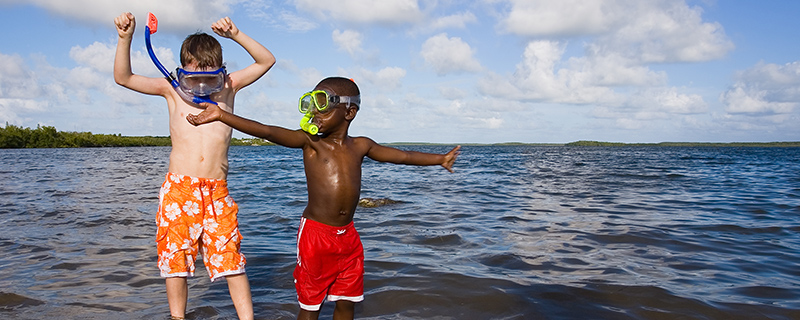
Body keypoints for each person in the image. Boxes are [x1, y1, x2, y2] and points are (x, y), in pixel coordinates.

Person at [187, 77, 460, 320]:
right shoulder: (311, 142)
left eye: (323, 104)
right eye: (311, 104)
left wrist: (440, 159)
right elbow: (267, 131)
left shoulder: (361, 145)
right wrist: (222, 115)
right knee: (311, 304)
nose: (315, 112)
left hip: (349, 238)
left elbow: (403, 156)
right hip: (316, 237)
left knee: (348, 300)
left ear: (349, 112)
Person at [113, 12, 275, 320]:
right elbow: (123, 77)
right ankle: (178, 317)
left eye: (208, 78)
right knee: (175, 264)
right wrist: (125, 39)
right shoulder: (170, 89)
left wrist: (236, 34)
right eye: (193, 77)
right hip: (179, 192)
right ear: (180, 71)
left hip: (217, 193)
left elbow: (266, 60)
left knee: (232, 261)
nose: (201, 86)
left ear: (221, 72)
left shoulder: (228, 87)